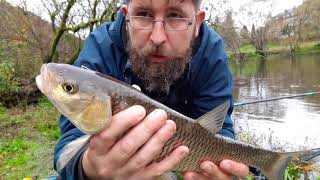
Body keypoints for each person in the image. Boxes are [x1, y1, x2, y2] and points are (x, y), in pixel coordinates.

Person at [54, 0, 250, 179]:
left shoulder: (211, 53)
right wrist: (88, 168)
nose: (157, 38)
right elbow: (69, 143)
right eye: (143, 14)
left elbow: (219, 131)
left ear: (197, 23)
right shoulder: (101, 48)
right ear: (127, 15)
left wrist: (223, 171)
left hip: (187, 158)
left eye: (175, 16)